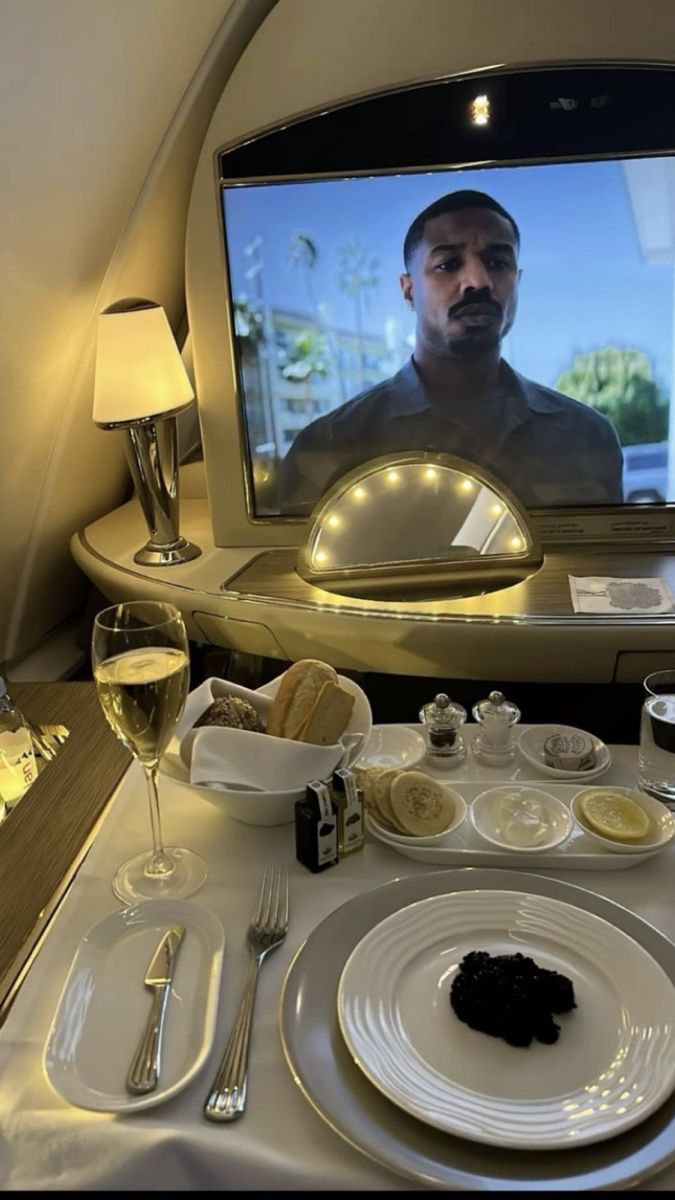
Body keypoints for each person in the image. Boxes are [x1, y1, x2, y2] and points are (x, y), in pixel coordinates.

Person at [276, 189, 624, 515]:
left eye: (497, 262)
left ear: (518, 279)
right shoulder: (330, 448)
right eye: (448, 264)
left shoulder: (587, 436)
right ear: (408, 290)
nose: (478, 281)